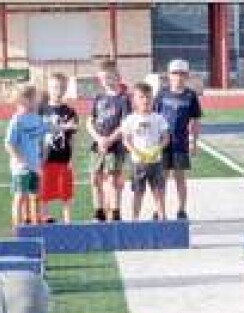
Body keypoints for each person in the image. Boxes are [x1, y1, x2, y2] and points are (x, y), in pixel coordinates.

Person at [154, 59, 202, 220]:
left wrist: (194, 142)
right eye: (175, 73)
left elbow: (194, 121)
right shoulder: (162, 93)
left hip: (180, 143)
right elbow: (154, 116)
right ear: (169, 75)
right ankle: (159, 209)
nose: (178, 76)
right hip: (162, 142)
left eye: (182, 73)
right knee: (162, 177)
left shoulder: (190, 95)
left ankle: (181, 209)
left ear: (187, 75)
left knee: (179, 177)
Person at [117, 83, 169, 221]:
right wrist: (136, 152)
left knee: (158, 192)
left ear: (153, 99)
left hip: (155, 162)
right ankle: (135, 219)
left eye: (148, 97)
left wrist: (157, 149)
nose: (145, 100)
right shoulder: (130, 119)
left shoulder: (159, 118)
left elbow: (166, 138)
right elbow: (126, 140)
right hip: (138, 163)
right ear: (134, 99)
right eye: (141, 97)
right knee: (138, 193)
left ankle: (163, 218)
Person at [86, 59, 131, 222]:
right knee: (95, 178)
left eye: (110, 77)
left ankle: (116, 212)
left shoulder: (124, 99)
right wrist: (98, 139)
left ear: (118, 77)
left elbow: (125, 124)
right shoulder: (98, 97)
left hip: (115, 146)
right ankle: (99, 212)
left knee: (113, 179)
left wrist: (110, 139)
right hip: (98, 145)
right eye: (104, 78)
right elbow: (90, 121)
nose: (107, 81)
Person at [5, 84, 49, 229]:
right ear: (25, 100)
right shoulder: (16, 120)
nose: (38, 101)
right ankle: (17, 228)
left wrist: (41, 156)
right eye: (35, 98)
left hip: (35, 166)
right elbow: (8, 144)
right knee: (20, 197)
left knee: (35, 196)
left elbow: (43, 133)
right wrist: (21, 161)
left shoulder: (36, 117)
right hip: (21, 168)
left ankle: (35, 226)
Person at [38, 73, 78, 223]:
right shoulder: (41, 110)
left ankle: (67, 221)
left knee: (65, 192)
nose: (58, 91)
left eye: (62, 87)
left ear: (66, 89)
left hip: (63, 158)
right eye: (55, 87)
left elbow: (72, 137)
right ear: (48, 88)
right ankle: (44, 218)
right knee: (44, 192)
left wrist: (72, 159)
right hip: (45, 158)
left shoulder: (70, 112)